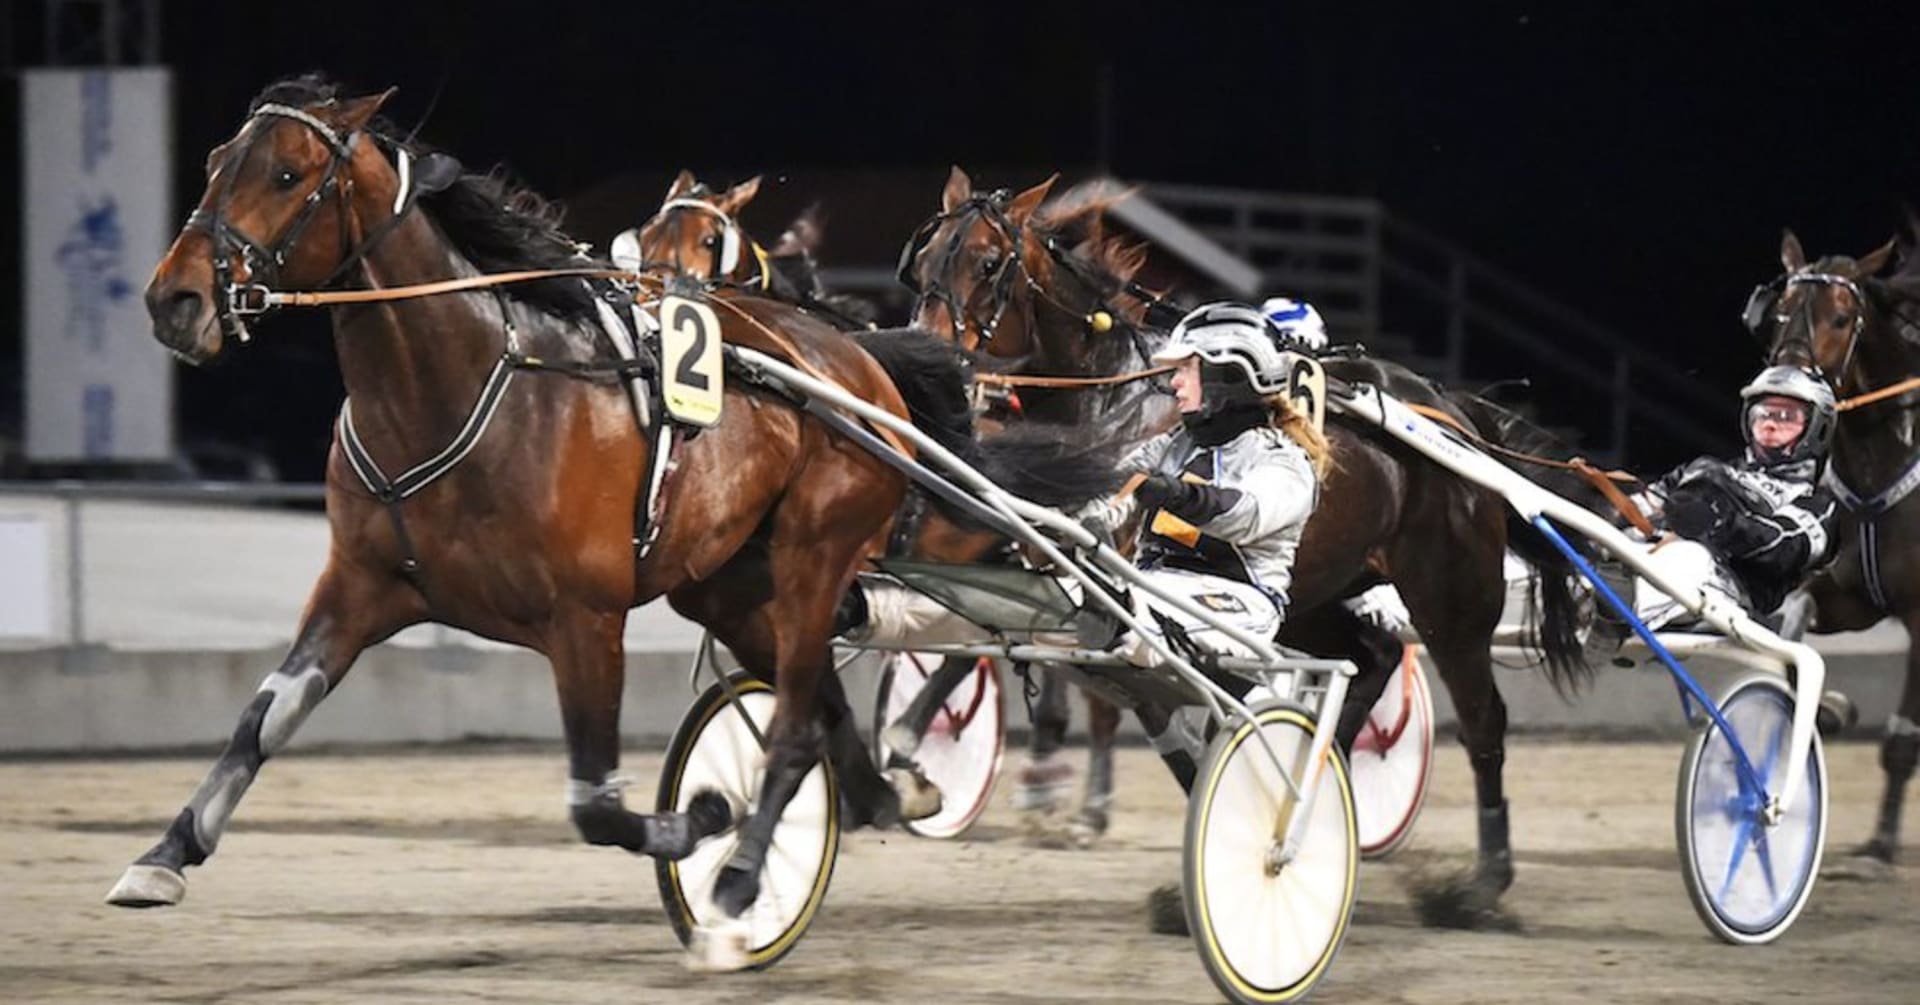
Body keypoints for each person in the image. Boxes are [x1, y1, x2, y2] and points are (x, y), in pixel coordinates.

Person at [837, 301, 1332, 781]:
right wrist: (1058, 523)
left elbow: (1245, 516)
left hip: (1239, 611)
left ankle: (1114, 616)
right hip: (1149, 597)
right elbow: (1109, 497)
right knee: (1014, 604)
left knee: (1104, 602)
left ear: (1230, 376)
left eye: (1186, 369)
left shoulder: (1284, 462)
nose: (1173, 382)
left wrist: (1166, 492)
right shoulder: (1170, 446)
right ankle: (868, 611)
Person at [1590, 364, 1840, 647]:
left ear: (1816, 427)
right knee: (1596, 540)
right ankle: (1575, 593)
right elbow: (1641, 508)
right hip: (1653, 562)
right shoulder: (1706, 469)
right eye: (1763, 414)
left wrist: (1718, 522)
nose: (1770, 424)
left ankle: (1603, 612)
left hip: (1735, 594)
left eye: (1785, 417)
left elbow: (1783, 547)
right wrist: (1597, 514)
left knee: (1689, 556)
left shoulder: (1817, 504)